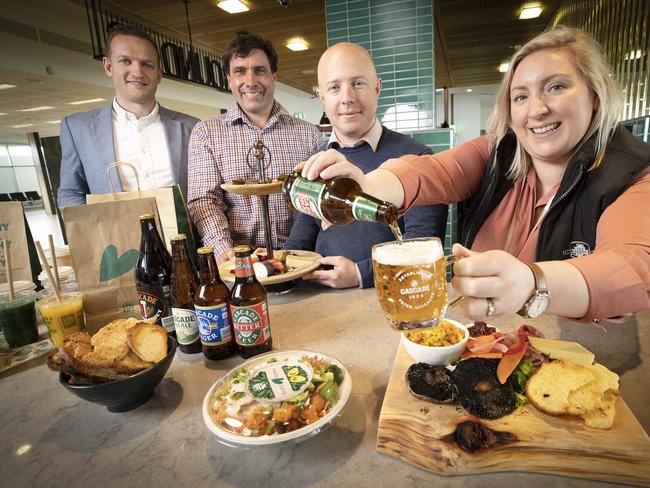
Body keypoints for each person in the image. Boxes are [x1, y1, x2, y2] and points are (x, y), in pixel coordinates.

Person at [300, 26, 650, 322]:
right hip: (483, 341)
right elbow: (430, 171)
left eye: (556, 87)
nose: (537, 110)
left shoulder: (632, 173)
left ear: (594, 92)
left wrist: (533, 282)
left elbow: (631, 268)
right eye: (521, 96)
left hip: (575, 363)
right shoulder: (495, 152)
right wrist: (367, 184)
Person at [283, 43, 447, 289]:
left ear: (377, 87)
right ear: (322, 97)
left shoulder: (417, 157)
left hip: (388, 297)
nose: (347, 98)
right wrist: (275, 264)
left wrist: (360, 274)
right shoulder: (318, 160)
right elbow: (303, 235)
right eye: (334, 87)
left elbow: (422, 248)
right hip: (321, 301)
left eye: (358, 83)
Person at [187, 32, 322, 264]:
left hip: (301, 257)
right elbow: (204, 201)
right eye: (240, 71)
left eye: (259, 70)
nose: (250, 80)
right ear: (229, 79)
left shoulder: (309, 135)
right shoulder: (206, 133)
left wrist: (298, 252)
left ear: (274, 76)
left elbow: (317, 202)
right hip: (238, 260)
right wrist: (224, 251)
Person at [58, 23, 199, 208]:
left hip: (183, 236)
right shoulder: (78, 128)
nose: (137, 72)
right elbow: (70, 193)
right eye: (125, 61)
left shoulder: (192, 127)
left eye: (147, 64)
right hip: (114, 236)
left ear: (158, 74)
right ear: (108, 66)